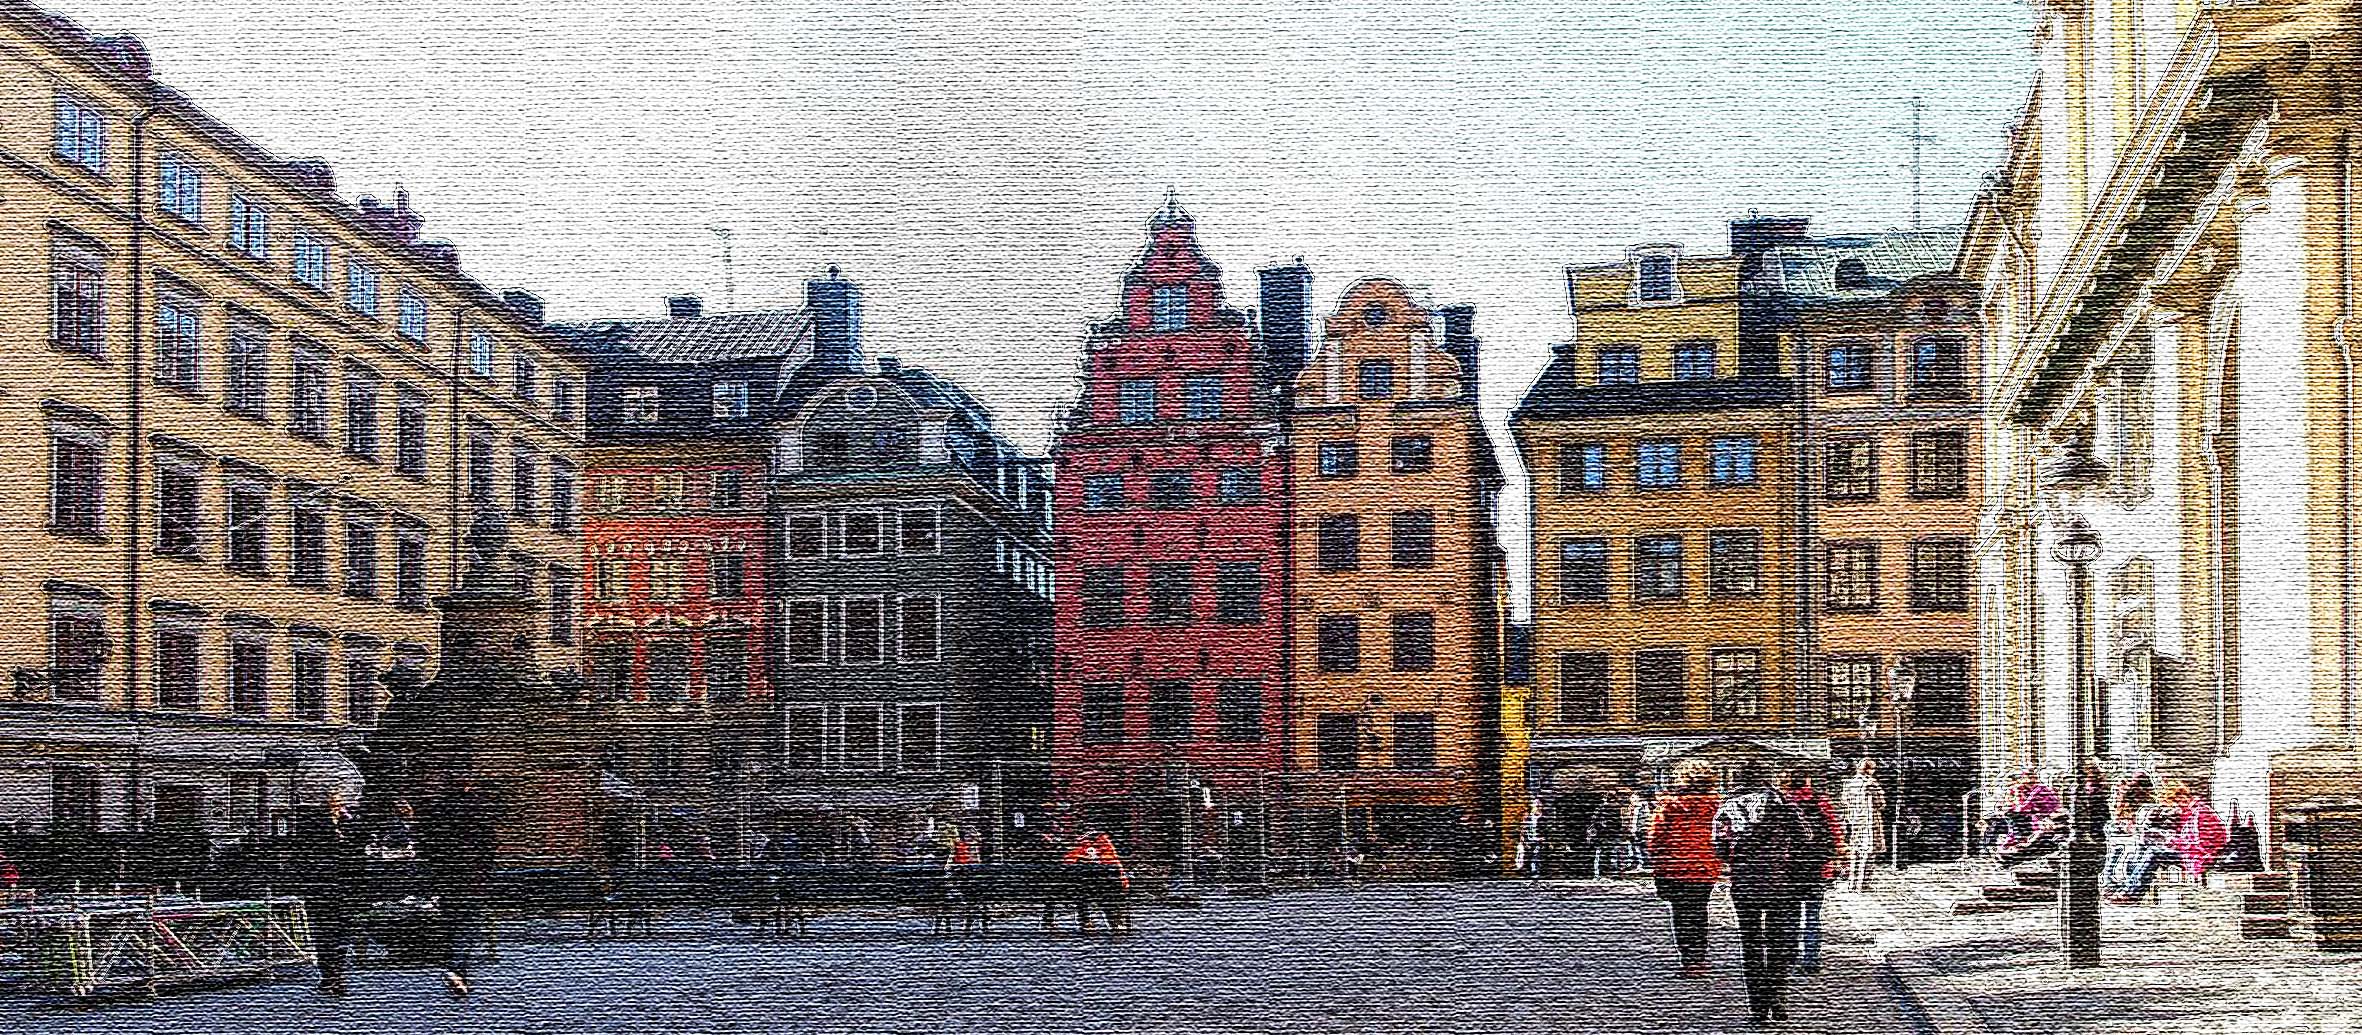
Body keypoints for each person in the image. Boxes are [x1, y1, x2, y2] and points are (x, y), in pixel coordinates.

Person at [1715, 764, 1819, 1028]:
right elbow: (1806, 837)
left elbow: (1719, 847)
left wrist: (1739, 857)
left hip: (1745, 882)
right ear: (1765, 779)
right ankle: (1779, 997)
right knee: (1779, 942)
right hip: (1781, 881)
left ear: (1737, 780)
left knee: (1750, 942)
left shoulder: (1727, 806)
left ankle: (1758, 1006)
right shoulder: (1783, 803)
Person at [1645, 762, 1722, 978]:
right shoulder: (1717, 805)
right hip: (1705, 867)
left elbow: (1655, 837)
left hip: (1674, 867)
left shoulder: (1669, 805)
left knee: (1682, 914)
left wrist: (1656, 856)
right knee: (1699, 911)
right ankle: (1699, 958)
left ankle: (1689, 960)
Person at [421, 782, 497, 998]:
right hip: (472, 876)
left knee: (452, 924)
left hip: (446, 876)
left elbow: (427, 843)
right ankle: (456, 968)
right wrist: (486, 868)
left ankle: (460, 973)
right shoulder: (477, 810)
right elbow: (488, 843)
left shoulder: (437, 811)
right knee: (469, 924)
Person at [294, 793, 370, 996]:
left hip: (343, 883)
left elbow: (359, 846)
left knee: (340, 929)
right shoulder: (313, 822)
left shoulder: (351, 821)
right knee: (324, 930)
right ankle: (330, 975)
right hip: (321, 883)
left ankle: (336, 974)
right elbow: (307, 850)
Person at [1784, 770, 1842, 976]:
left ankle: (1789, 955)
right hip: (1817, 867)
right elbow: (1835, 831)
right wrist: (1837, 856)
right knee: (1812, 915)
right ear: (1807, 782)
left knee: (1789, 914)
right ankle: (1811, 959)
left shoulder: (1783, 802)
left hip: (1788, 867)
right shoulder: (1821, 801)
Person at [1061, 828, 1130, 932]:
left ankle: (1116, 922)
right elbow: (1069, 860)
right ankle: (1087, 921)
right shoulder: (1080, 845)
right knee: (1082, 894)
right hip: (1086, 883)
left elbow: (1112, 862)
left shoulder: (1105, 844)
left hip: (1107, 883)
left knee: (1110, 898)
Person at [1837, 759, 1885, 891]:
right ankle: (1862, 884)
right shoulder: (1871, 784)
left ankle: (1852, 883)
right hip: (1869, 822)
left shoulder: (1849, 784)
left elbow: (1844, 801)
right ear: (1869, 769)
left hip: (1854, 821)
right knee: (1868, 853)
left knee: (1855, 852)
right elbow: (1881, 803)